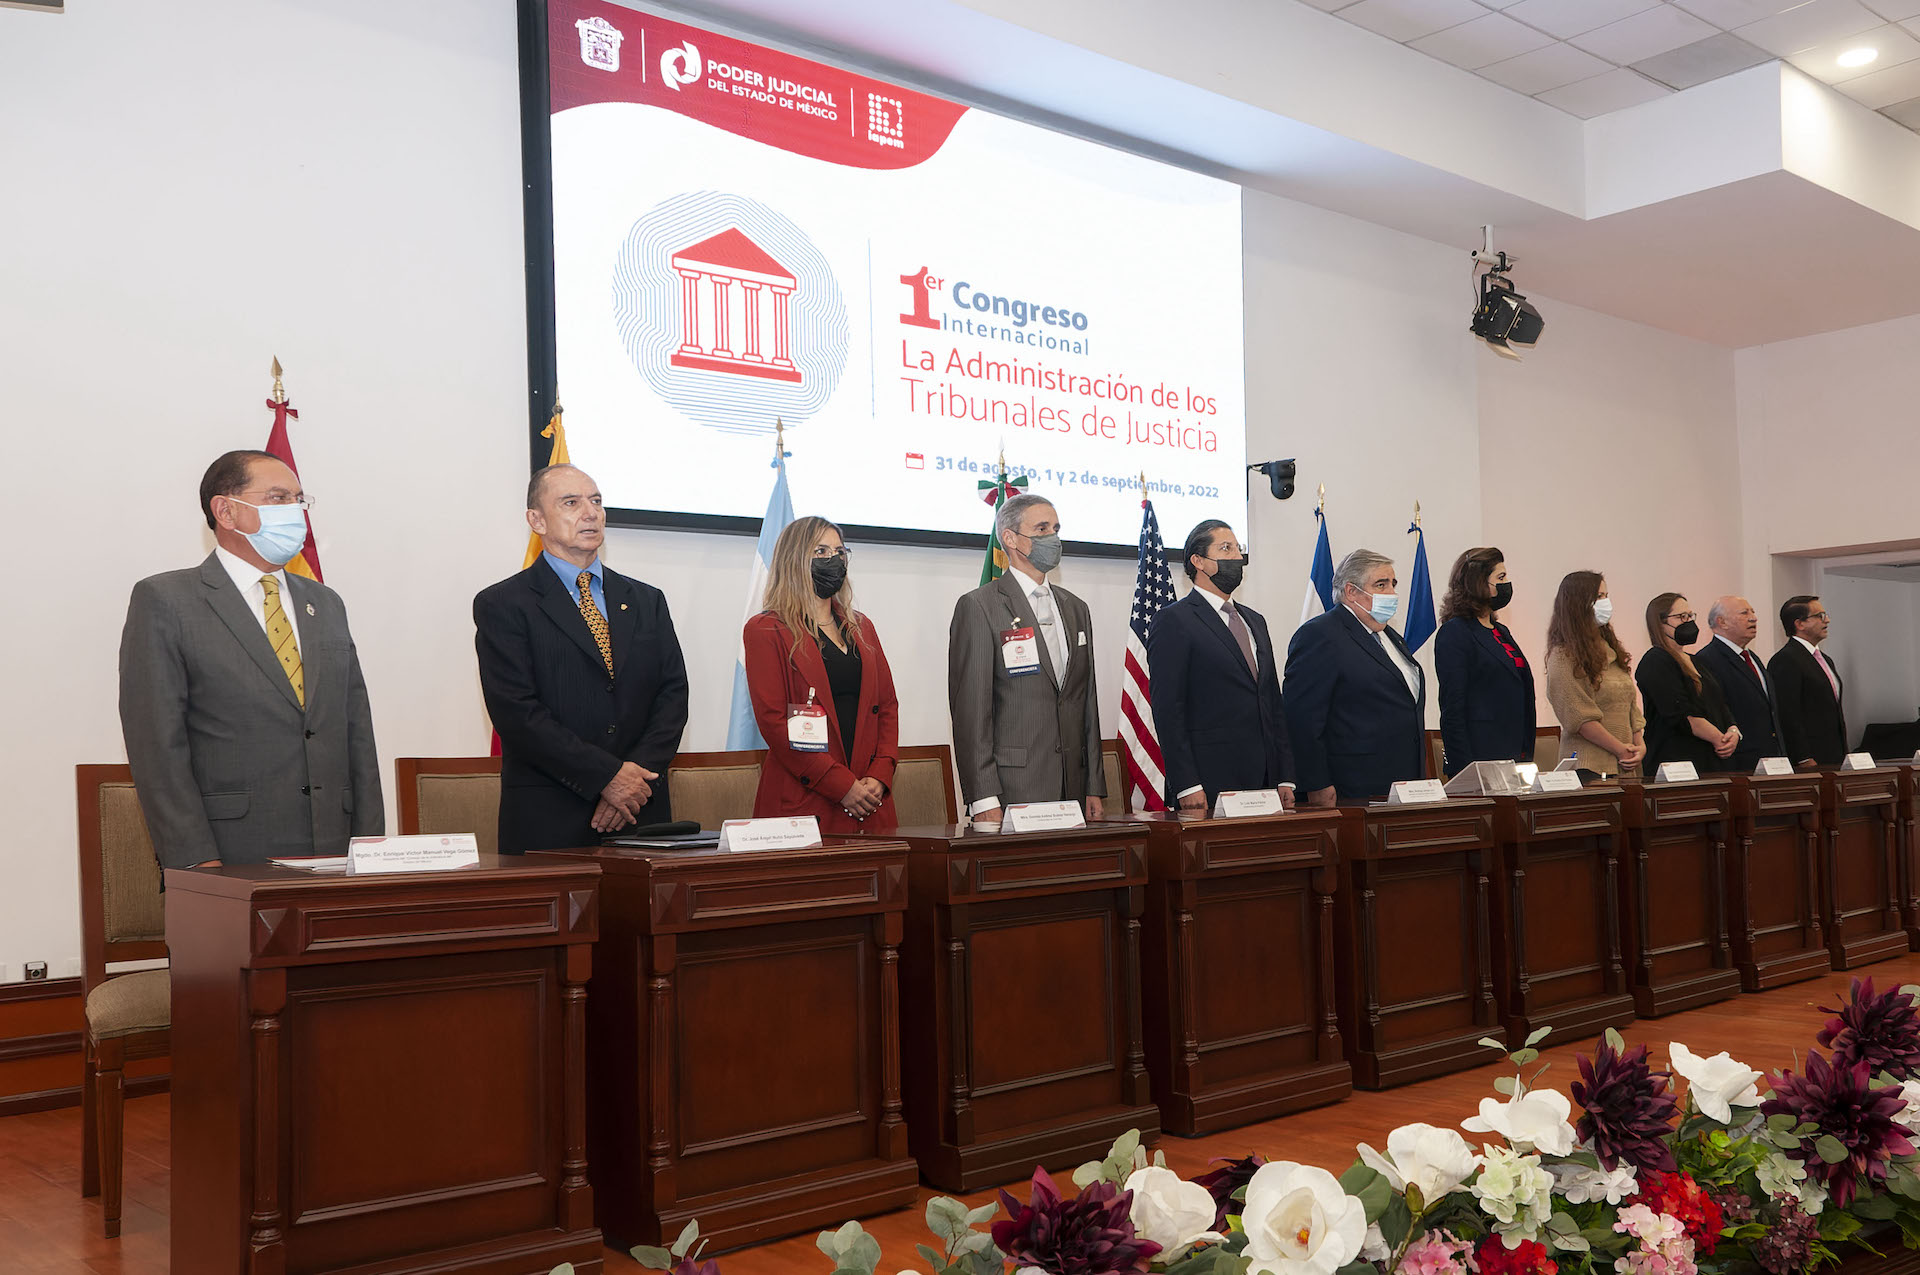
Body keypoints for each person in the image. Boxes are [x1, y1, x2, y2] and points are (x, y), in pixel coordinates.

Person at [118, 450, 383, 867]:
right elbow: (157, 746)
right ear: (225, 510)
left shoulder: (325, 603)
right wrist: (197, 861)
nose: (294, 511)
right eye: (278, 498)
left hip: (336, 853)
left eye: (299, 499)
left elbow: (358, 734)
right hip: (229, 855)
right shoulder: (166, 600)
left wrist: (369, 849)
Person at [474, 464, 688, 851]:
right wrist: (607, 777)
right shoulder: (504, 604)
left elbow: (672, 696)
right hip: (551, 816)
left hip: (640, 812)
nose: (590, 513)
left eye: (596, 502)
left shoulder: (645, 600)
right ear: (536, 520)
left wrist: (632, 781)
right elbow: (517, 712)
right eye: (571, 503)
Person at [948, 492, 1105, 823]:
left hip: (1073, 790)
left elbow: (1085, 701)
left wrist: (1094, 784)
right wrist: (982, 798)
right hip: (1013, 791)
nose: (1053, 538)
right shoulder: (979, 606)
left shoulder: (1077, 609)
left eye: (1056, 528)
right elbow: (972, 714)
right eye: (1042, 529)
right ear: (1009, 538)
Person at [743, 517, 900, 833]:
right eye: (821, 551)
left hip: (870, 802)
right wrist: (842, 786)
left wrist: (879, 775)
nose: (834, 560)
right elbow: (775, 723)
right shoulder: (766, 630)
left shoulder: (862, 627)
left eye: (840, 552)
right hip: (805, 804)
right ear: (795, 560)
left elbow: (887, 707)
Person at [1146, 520, 1295, 811]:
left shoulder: (1254, 621)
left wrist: (1286, 775)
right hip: (1210, 780)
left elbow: (1272, 702)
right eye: (1225, 548)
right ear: (1198, 561)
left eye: (1237, 549)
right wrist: (1187, 783)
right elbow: (1168, 710)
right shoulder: (1175, 621)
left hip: (1266, 780)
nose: (1236, 557)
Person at [1282, 549, 1425, 805]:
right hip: (1352, 787)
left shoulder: (1391, 637)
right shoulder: (1320, 635)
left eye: (1393, 584)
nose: (1391, 593)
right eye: (1380, 584)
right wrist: (1316, 783)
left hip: (1402, 781)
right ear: (1351, 592)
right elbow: (1302, 719)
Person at [1433, 546, 1535, 777]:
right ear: (1477, 583)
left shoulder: (1501, 631)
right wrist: (1465, 770)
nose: (1507, 583)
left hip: (1514, 755)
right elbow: (1452, 708)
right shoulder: (1455, 632)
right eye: (1500, 577)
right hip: (1480, 759)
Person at [1541, 571, 1644, 780]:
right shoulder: (1563, 656)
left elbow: (1630, 706)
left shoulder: (1610, 649)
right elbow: (1579, 718)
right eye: (1598, 597)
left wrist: (1639, 745)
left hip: (1625, 765)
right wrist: (1620, 749)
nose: (1605, 602)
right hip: (1589, 768)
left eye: (1606, 595)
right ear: (1579, 603)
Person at [1636, 593, 1738, 773]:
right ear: (1660, 622)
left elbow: (1720, 703)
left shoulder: (1698, 661)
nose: (1688, 622)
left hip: (1710, 761)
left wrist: (1733, 731)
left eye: (1690, 616)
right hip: (1676, 764)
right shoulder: (1656, 660)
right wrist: (1719, 739)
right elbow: (1681, 713)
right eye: (1681, 617)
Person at [1696, 595, 1784, 770]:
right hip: (1738, 762)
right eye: (1744, 613)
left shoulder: (1752, 658)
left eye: (1752, 612)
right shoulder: (1707, 660)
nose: (1753, 618)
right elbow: (1718, 709)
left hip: (1770, 758)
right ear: (1722, 622)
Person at [1768, 595, 1848, 768]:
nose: (1827, 620)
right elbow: (1788, 713)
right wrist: (1802, 757)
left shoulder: (1825, 659)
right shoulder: (1786, 659)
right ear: (1800, 624)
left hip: (1834, 753)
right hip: (1810, 757)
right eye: (1819, 616)